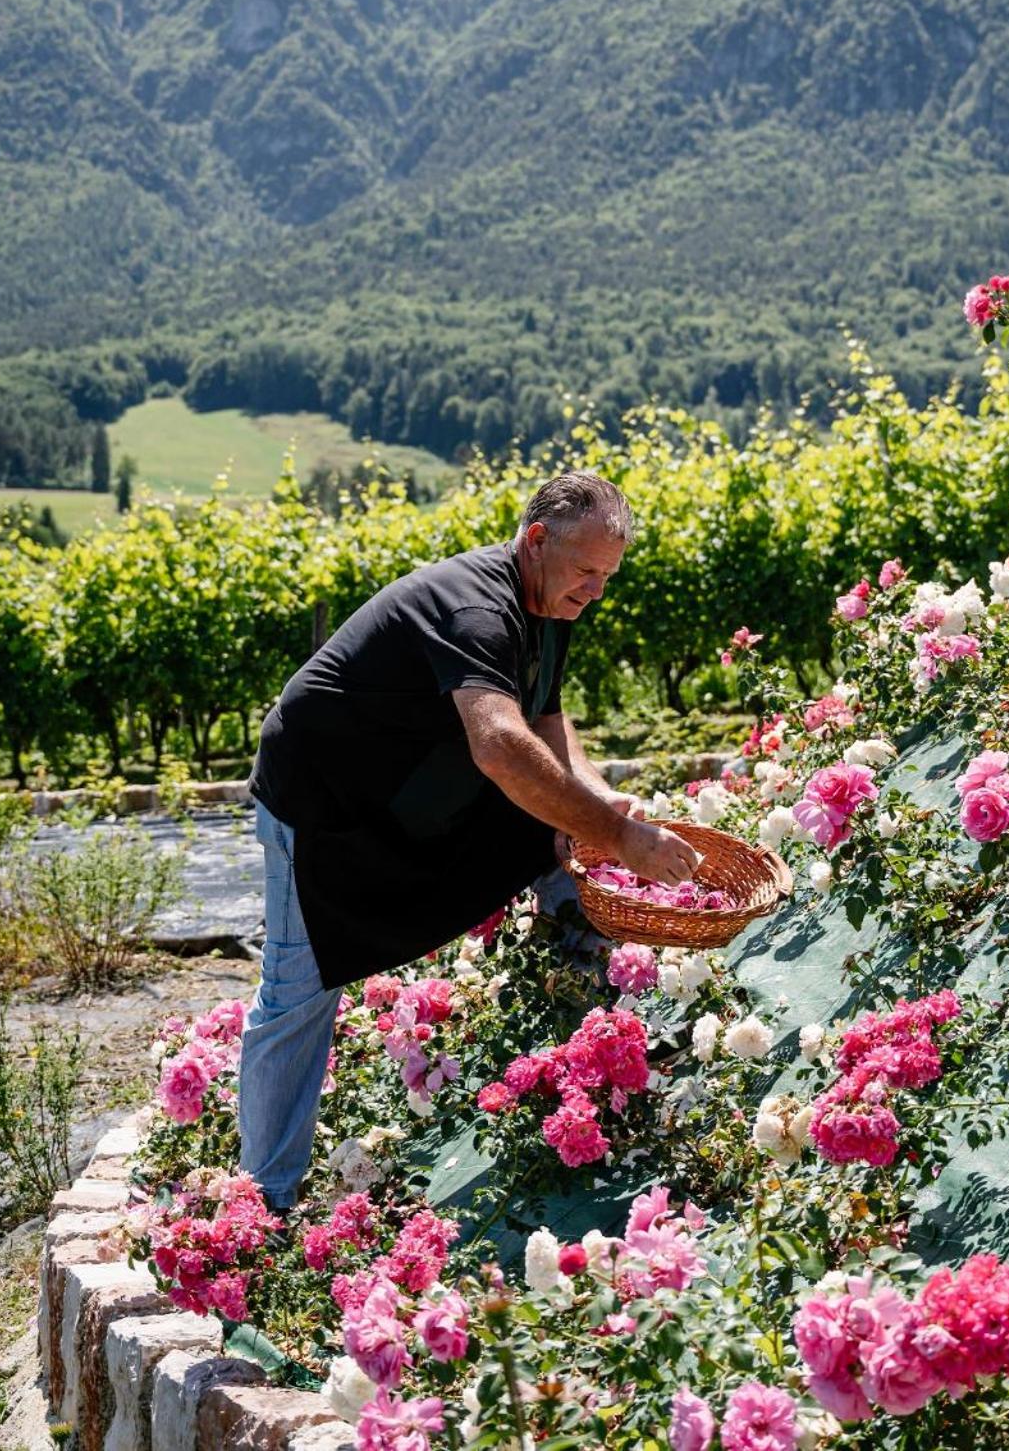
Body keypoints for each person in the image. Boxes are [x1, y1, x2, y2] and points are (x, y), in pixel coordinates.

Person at [237, 470, 700, 1212]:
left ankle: (585, 1048)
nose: (596, 592)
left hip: (403, 790)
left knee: (552, 833)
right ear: (537, 540)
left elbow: (545, 717)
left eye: (607, 576)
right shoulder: (477, 606)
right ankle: (262, 1203)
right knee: (299, 992)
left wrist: (593, 795)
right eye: (587, 571)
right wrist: (614, 833)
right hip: (320, 801)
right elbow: (499, 745)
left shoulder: (547, 600)